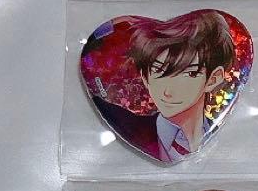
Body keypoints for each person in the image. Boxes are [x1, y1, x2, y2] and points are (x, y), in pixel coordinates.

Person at [91, 10, 235, 163]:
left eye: (189, 74)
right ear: (145, 77)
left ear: (213, 79)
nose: (168, 91)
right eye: (158, 71)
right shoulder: (129, 126)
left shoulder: (231, 135)